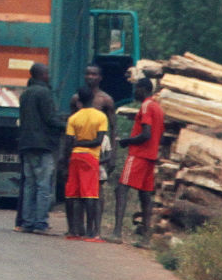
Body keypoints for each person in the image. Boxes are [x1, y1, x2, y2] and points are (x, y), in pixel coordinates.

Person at [111, 77, 164, 247]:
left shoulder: (147, 106)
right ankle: (146, 238)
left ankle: (117, 232)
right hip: (151, 155)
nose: (134, 92)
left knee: (121, 188)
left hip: (139, 154)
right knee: (145, 195)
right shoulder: (158, 108)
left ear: (142, 89)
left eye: (136, 88)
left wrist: (128, 141)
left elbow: (146, 133)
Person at [17, 62, 65, 234]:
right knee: (43, 185)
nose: (49, 76)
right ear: (42, 75)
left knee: (29, 184)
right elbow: (50, 119)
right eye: (47, 73)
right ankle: (40, 223)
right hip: (42, 144)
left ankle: (27, 222)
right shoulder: (44, 93)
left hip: (26, 144)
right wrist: (67, 125)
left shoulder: (26, 94)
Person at [69, 64, 117, 217]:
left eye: (94, 74)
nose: (90, 77)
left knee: (97, 187)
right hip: (80, 148)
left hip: (100, 145)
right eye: (88, 74)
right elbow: (71, 124)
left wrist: (112, 155)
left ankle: (95, 226)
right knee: (78, 189)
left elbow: (113, 127)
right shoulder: (76, 98)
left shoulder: (106, 100)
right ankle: (78, 226)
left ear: (100, 78)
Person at [62, 85, 108, 241]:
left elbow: (68, 143)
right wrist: (86, 144)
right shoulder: (101, 117)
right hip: (91, 158)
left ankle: (72, 230)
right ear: (93, 99)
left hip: (75, 157)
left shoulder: (73, 118)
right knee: (90, 194)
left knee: (71, 194)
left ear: (79, 101)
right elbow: (99, 141)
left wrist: (76, 146)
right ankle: (91, 233)